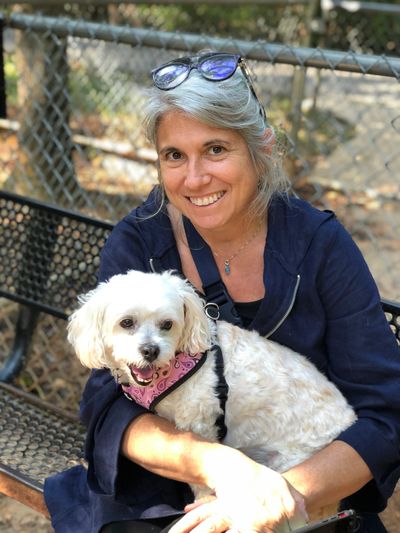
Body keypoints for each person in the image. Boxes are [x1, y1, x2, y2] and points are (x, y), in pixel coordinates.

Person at [44, 51, 400, 533]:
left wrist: (276, 495)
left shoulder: (319, 245)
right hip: (170, 481)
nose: (194, 178)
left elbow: (384, 415)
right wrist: (218, 465)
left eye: (216, 149)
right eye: (174, 155)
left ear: (263, 149)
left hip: (306, 482)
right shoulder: (140, 241)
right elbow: (108, 401)